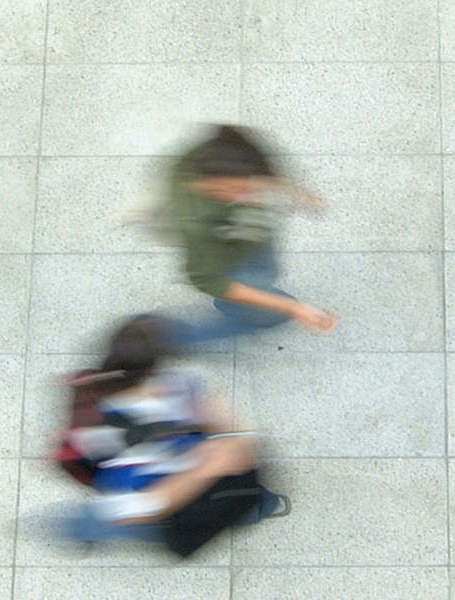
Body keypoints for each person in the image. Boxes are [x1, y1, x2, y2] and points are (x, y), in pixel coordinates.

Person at [58, 316, 288, 554]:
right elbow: (146, 505)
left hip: (146, 480)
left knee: (102, 520)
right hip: (162, 494)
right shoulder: (175, 390)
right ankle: (81, 528)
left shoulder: (104, 392)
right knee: (129, 524)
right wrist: (210, 465)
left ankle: (81, 528)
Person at [155, 125, 337, 347]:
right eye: (230, 192)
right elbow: (206, 279)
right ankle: (170, 339)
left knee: (265, 275)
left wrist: (295, 191)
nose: (245, 197)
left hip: (247, 238)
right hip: (229, 258)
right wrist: (293, 309)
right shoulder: (195, 223)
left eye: (247, 188)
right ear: (210, 184)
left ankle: (236, 303)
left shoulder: (223, 151)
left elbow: (263, 169)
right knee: (267, 314)